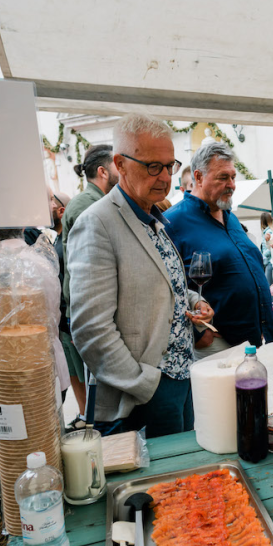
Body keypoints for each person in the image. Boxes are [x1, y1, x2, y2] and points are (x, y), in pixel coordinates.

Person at [67, 115, 214, 438]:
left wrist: (194, 300)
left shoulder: (153, 219)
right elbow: (90, 328)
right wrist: (145, 383)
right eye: (152, 166)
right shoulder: (98, 223)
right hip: (139, 397)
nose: (165, 177)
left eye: (169, 165)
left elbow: (162, 283)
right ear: (120, 163)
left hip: (179, 380)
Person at [165, 142, 273, 358]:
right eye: (223, 177)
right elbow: (165, 289)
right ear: (198, 177)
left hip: (253, 342)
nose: (232, 185)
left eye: (233, 177)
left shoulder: (231, 217)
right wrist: (198, 335)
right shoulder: (173, 222)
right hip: (217, 345)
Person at [61, 144, 118, 424]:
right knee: (96, 379)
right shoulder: (87, 206)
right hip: (87, 308)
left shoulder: (94, 201)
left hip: (89, 305)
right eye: (118, 165)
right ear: (103, 171)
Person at [260, 211, 273, 285]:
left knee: (269, 285)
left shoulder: (268, 232)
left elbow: (270, 248)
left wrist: (263, 256)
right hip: (268, 261)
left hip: (268, 261)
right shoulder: (269, 231)